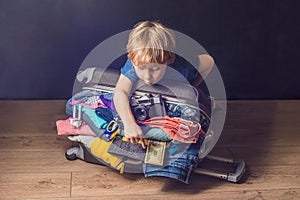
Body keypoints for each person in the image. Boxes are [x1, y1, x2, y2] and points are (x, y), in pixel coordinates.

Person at [113, 21, 214, 148]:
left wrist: (191, 87)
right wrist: (129, 123)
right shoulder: (136, 60)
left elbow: (209, 61)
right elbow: (120, 91)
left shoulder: (183, 67)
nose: (148, 76)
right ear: (133, 61)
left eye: (155, 69)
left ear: (167, 61)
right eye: (141, 68)